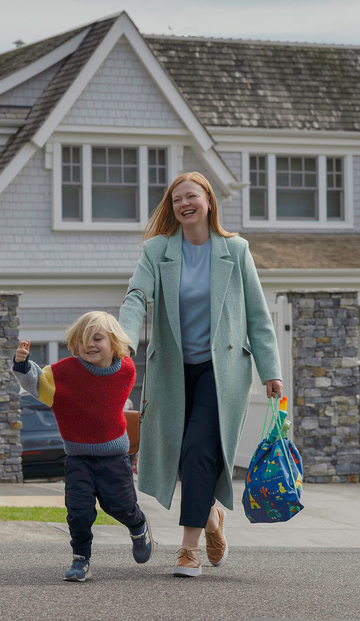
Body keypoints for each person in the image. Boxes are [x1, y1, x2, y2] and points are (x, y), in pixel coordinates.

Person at [119, 171, 283, 578]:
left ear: (208, 201)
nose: (183, 204)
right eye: (176, 200)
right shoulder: (157, 251)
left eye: (190, 196)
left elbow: (259, 318)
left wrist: (271, 371)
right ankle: (211, 517)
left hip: (222, 371)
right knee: (178, 455)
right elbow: (138, 294)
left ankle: (188, 549)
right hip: (172, 372)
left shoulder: (235, 249)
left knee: (198, 449)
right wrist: (121, 337)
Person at [12, 311, 153, 582]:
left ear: (114, 342)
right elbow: (38, 384)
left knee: (121, 506)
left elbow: (107, 395)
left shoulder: (126, 370)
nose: (89, 345)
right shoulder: (64, 372)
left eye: (97, 338)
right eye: (83, 340)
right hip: (78, 458)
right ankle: (80, 559)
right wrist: (23, 364)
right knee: (78, 512)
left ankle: (138, 527)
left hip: (114, 457)